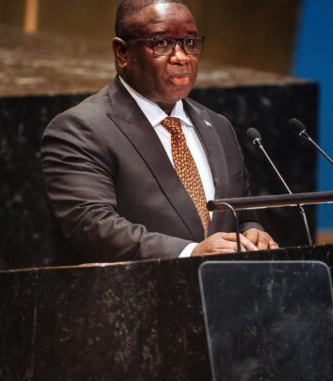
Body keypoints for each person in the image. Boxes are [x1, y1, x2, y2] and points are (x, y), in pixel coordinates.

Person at [41, 0, 278, 264]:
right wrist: (190, 252)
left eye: (189, 42)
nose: (181, 57)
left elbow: (241, 214)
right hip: (131, 299)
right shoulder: (81, 129)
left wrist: (253, 232)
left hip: (221, 295)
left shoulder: (218, 126)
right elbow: (92, 225)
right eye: (162, 43)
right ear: (122, 53)